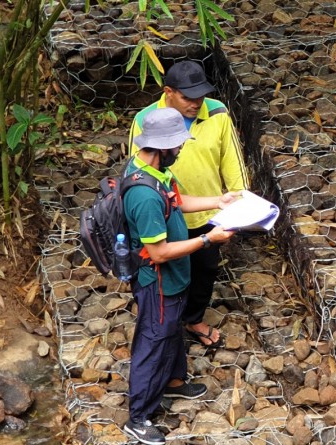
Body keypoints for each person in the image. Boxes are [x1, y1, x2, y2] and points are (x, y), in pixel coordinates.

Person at [123, 107, 239, 445]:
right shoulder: (143, 195)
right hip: (157, 283)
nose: (181, 150)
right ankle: (138, 416)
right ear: (162, 147)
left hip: (173, 280)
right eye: (178, 145)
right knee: (154, 340)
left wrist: (219, 200)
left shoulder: (156, 172)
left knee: (171, 328)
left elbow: (176, 200)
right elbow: (157, 253)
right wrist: (207, 239)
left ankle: (174, 382)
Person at [129, 60, 248, 348]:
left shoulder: (217, 113)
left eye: (201, 96)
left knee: (205, 270)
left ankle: (193, 319)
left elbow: (233, 164)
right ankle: (163, 325)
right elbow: (137, 170)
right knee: (168, 270)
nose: (196, 103)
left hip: (207, 209)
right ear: (168, 92)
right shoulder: (146, 119)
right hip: (165, 214)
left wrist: (240, 202)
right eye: (187, 97)